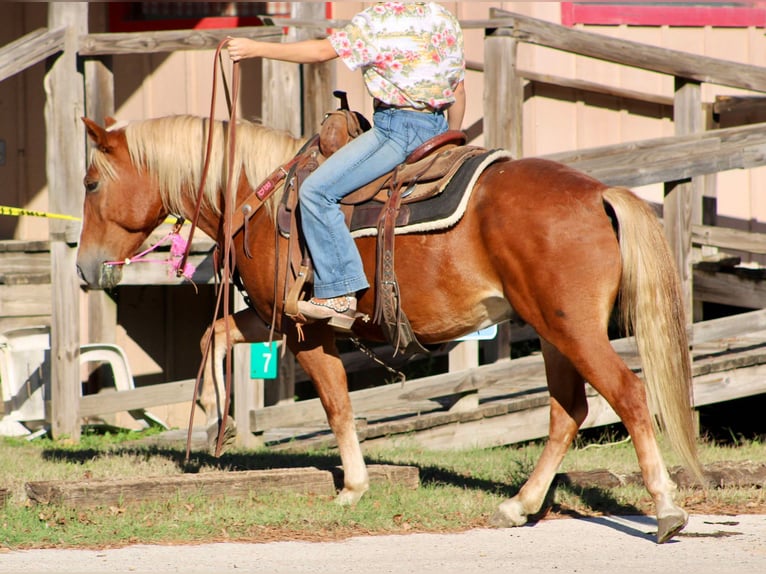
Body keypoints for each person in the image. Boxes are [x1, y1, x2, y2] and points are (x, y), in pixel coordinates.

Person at [228, 2, 465, 327]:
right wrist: (452, 136)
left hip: (396, 130)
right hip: (438, 127)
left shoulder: (379, 19)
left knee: (315, 191)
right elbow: (459, 88)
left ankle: (340, 293)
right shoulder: (443, 18)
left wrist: (255, 47)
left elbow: (321, 51)